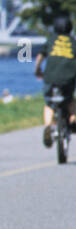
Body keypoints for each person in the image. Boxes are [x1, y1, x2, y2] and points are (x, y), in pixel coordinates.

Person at [35, 15, 76, 147]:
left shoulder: (51, 40)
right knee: (70, 99)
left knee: (49, 103)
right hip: (68, 78)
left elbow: (40, 56)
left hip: (50, 77)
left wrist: (37, 70)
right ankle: (73, 118)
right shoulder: (73, 42)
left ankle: (48, 126)